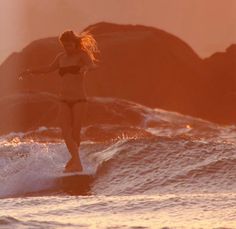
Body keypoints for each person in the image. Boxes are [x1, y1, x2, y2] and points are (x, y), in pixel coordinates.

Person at [19, 30, 99, 172]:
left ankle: (74, 160)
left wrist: (86, 67)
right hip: (63, 100)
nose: (67, 48)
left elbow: (92, 65)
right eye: (64, 46)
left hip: (79, 99)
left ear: (75, 44)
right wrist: (30, 71)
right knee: (65, 132)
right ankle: (77, 161)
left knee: (75, 132)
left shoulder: (82, 55)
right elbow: (48, 68)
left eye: (69, 46)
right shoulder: (61, 57)